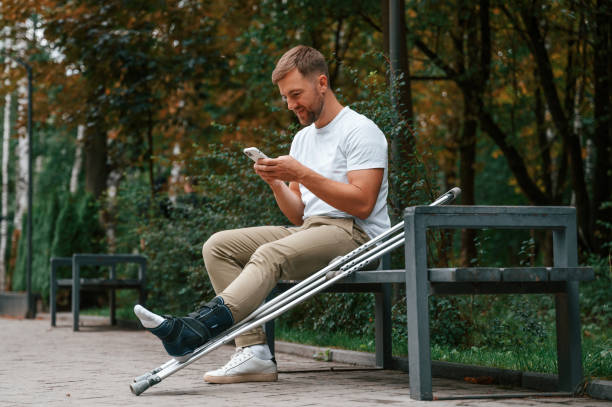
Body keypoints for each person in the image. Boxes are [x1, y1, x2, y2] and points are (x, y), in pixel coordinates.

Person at [134, 45, 390, 384]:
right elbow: (299, 215)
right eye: (285, 97)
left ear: (322, 83)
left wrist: (300, 174)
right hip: (313, 229)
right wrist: (277, 184)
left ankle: (197, 328)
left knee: (270, 254)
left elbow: (363, 203)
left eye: (296, 94)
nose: (290, 105)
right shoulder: (302, 140)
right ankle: (253, 352)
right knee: (218, 245)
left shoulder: (360, 130)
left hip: (357, 235)